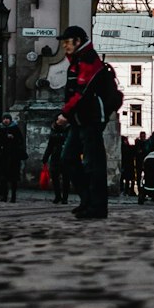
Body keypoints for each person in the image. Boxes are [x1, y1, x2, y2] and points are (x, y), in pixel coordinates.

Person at [55, 25, 109, 220]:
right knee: (67, 158)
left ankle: (97, 206)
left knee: (93, 164)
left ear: (78, 41)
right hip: (79, 120)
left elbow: (82, 92)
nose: (64, 47)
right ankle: (87, 200)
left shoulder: (88, 60)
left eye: (67, 42)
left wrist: (65, 114)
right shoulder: (77, 61)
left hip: (91, 119)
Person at [0, 112, 26, 203]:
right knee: (3, 178)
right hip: (3, 156)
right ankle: (4, 196)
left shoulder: (15, 128)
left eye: (7, 118)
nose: (5, 120)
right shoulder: (1, 128)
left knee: (13, 178)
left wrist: (13, 138)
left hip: (14, 157)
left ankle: (13, 197)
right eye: (4, 119)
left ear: (10, 120)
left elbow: (20, 140)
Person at [42, 109, 72, 203]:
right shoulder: (53, 129)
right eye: (60, 117)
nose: (61, 118)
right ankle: (57, 196)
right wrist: (45, 157)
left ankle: (65, 198)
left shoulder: (69, 128)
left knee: (66, 178)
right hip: (55, 156)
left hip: (65, 155)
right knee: (55, 177)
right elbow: (50, 145)